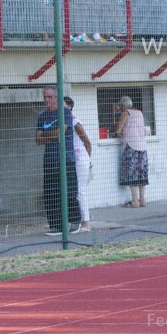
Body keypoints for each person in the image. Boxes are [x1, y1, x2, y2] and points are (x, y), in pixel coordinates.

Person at [35, 86, 81, 236]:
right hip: (50, 160)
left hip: (65, 159)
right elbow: (37, 139)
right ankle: (56, 225)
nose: (47, 100)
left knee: (69, 191)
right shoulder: (42, 116)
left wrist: (47, 134)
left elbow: (61, 132)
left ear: (56, 97)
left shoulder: (65, 112)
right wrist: (53, 134)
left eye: (50, 97)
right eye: (45, 97)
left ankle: (74, 221)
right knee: (51, 193)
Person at [64, 96, 93, 233]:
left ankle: (85, 223)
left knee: (80, 191)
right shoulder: (64, 121)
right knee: (73, 190)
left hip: (80, 158)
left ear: (69, 107)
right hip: (72, 159)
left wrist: (88, 159)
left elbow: (87, 142)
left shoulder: (75, 122)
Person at [114, 96, 149, 207]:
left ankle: (134, 201)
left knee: (132, 173)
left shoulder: (126, 113)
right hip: (142, 146)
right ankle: (142, 200)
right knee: (142, 173)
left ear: (124, 106)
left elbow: (118, 130)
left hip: (131, 146)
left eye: (120, 106)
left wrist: (118, 130)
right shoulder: (140, 113)